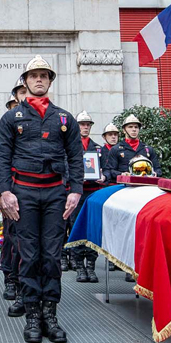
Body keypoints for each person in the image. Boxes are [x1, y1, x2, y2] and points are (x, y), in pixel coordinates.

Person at [0, 56, 83, 343]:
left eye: (44, 75)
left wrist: (75, 190)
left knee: (52, 256)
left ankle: (50, 315)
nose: (39, 79)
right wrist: (5, 191)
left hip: (55, 194)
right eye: (34, 75)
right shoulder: (11, 118)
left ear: (50, 81)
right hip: (24, 194)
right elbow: (1, 157)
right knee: (29, 255)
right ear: (26, 81)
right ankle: (32, 316)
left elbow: (75, 157)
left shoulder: (64, 119)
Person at [0, 78, 26, 318]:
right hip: (11, 191)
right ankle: (11, 279)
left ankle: (27, 285)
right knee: (12, 240)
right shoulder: (4, 129)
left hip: (32, 191)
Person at [68, 111, 102, 283]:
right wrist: (74, 178)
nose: (85, 127)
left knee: (93, 229)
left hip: (93, 192)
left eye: (88, 124)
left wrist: (104, 175)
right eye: (82, 124)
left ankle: (91, 266)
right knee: (77, 228)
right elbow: (63, 168)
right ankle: (80, 266)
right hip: (76, 193)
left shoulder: (98, 149)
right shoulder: (69, 147)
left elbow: (108, 169)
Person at [103, 114, 162, 179]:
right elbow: (109, 171)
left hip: (145, 183)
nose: (134, 129)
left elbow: (158, 169)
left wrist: (155, 173)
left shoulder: (148, 149)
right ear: (124, 130)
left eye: (136, 127)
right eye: (130, 127)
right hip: (125, 183)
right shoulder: (115, 149)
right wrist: (122, 174)